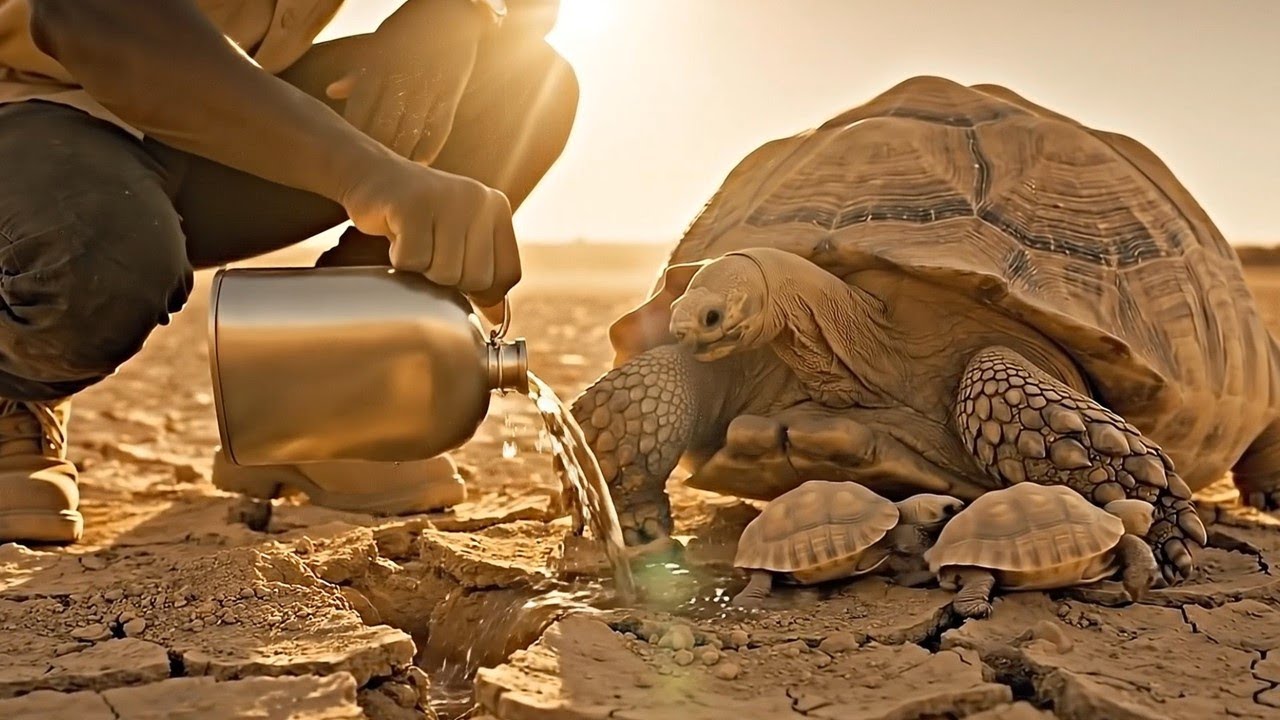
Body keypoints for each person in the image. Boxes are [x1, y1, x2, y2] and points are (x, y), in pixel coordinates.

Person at [0, 0, 579, 544]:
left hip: (215, 113)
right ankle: (13, 384)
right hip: (31, 114)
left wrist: (456, 14)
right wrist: (365, 173)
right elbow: (92, 16)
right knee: (100, 265)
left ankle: (323, 410)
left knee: (522, 83)